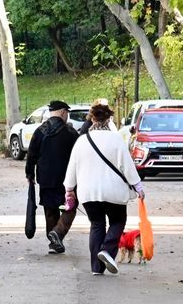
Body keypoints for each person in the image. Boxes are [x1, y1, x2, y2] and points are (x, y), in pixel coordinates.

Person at [63, 102, 143, 274]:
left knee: (97, 224)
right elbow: (127, 166)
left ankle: (96, 268)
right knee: (117, 221)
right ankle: (106, 250)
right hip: (114, 192)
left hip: (88, 193)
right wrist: (138, 187)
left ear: (92, 119)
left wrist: (69, 189)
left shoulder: (81, 141)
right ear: (109, 120)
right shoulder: (116, 139)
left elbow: (72, 167)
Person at [25, 99, 79, 254]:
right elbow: (78, 154)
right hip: (66, 180)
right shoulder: (70, 132)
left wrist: (30, 173)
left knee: (50, 210)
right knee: (71, 207)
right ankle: (58, 233)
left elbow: (31, 154)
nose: (67, 116)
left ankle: (54, 243)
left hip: (45, 178)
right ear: (63, 112)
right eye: (67, 113)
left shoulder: (40, 131)